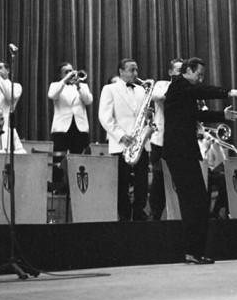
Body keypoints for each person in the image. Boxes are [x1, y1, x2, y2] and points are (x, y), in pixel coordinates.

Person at [163, 57, 237, 264]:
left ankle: (194, 252)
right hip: (179, 152)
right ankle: (192, 252)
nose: (200, 78)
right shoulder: (178, 85)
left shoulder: (185, 90)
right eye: (198, 74)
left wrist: (221, 115)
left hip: (185, 151)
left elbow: (194, 114)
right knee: (193, 201)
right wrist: (232, 92)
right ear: (187, 70)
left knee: (197, 201)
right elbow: (202, 91)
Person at [99, 59, 153, 222]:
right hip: (120, 142)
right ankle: (124, 213)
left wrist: (149, 116)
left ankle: (139, 211)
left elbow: (142, 115)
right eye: (131, 70)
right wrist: (121, 135)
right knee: (122, 182)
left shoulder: (141, 90)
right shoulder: (109, 89)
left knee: (141, 180)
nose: (135, 74)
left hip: (140, 142)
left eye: (136, 70)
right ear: (121, 72)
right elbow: (105, 116)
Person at [147, 58, 183, 221]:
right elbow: (158, 96)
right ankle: (155, 214)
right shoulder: (161, 84)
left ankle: (177, 215)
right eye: (178, 70)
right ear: (170, 72)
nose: (181, 73)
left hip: (179, 140)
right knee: (159, 178)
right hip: (160, 140)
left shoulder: (188, 88)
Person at [0, 104, 26, 224]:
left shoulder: (11, 131)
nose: (1, 123)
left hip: (10, 172)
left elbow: (22, 151)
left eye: (2, 119)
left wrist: (9, 154)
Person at [48, 62, 93, 154]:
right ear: (60, 75)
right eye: (66, 72)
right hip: (62, 128)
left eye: (71, 71)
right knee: (59, 158)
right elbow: (52, 95)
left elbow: (89, 101)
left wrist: (78, 86)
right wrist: (65, 80)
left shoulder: (83, 86)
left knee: (79, 159)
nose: (70, 73)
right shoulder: (56, 85)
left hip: (79, 128)